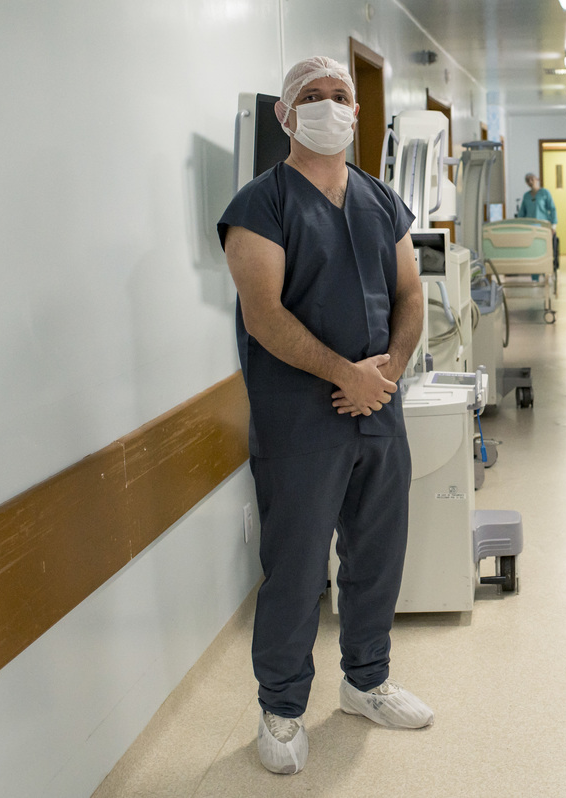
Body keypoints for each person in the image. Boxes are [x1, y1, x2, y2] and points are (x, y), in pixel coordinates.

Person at [217, 56, 431, 777]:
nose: (329, 105)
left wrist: (386, 374)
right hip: (300, 418)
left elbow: (410, 295)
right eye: (312, 96)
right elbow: (263, 315)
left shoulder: (380, 199)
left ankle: (366, 683)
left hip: (378, 407)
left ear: (357, 112)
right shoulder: (261, 204)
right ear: (285, 115)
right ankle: (280, 709)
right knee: (297, 567)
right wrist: (347, 375)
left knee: (377, 554)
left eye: (341, 95)